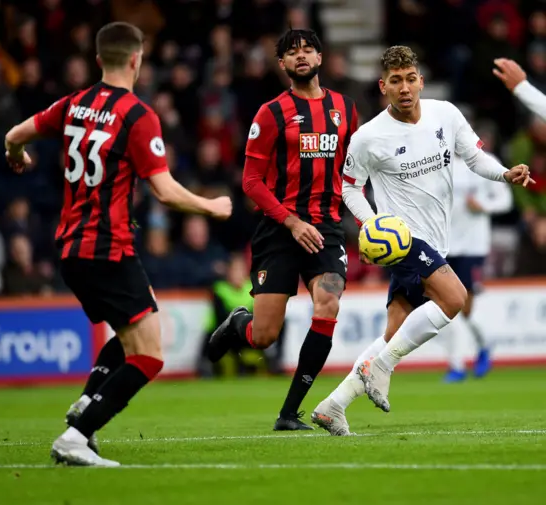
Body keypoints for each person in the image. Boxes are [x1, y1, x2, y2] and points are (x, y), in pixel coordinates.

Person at [4, 21, 232, 467]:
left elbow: (14, 136)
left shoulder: (73, 104)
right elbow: (164, 191)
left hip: (70, 250)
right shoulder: (136, 114)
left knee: (136, 326)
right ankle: (78, 433)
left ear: (97, 60)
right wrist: (212, 206)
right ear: (136, 59)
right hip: (108, 247)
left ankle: (87, 405)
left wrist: (17, 157)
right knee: (149, 355)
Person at [312, 46, 533, 436]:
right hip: (404, 240)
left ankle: (334, 405)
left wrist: (504, 174)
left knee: (393, 332)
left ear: (421, 81)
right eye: (395, 81)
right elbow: (348, 188)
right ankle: (382, 367)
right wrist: (375, 224)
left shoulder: (445, 114)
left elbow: (473, 156)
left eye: (410, 78)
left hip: (437, 239)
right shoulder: (369, 137)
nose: (404, 87)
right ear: (383, 86)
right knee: (454, 298)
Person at [207, 28, 358, 431]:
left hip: (325, 229)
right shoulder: (270, 113)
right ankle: (240, 322)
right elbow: (251, 181)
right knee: (264, 337)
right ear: (282, 65)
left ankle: (289, 413)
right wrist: (291, 221)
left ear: (321, 58)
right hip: (280, 228)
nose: (302, 56)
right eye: (293, 52)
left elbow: (355, 168)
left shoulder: (345, 109)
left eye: (309, 49)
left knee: (328, 304)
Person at [443, 148, 513, 383]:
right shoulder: (437, 162)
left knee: (461, 307)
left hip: (472, 246)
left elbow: (505, 200)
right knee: (448, 307)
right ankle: (470, 356)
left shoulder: (485, 162)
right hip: (443, 245)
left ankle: (461, 364)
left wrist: (483, 205)